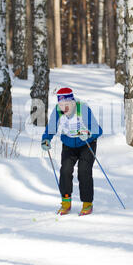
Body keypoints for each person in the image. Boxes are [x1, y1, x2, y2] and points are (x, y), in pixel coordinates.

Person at [41, 87, 103, 216]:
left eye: (67, 104)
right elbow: (51, 128)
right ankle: (66, 201)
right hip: (69, 144)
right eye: (61, 104)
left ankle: (87, 203)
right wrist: (46, 139)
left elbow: (98, 130)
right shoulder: (58, 111)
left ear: (73, 102)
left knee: (84, 171)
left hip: (86, 143)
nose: (64, 108)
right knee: (65, 170)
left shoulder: (83, 109)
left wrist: (89, 135)